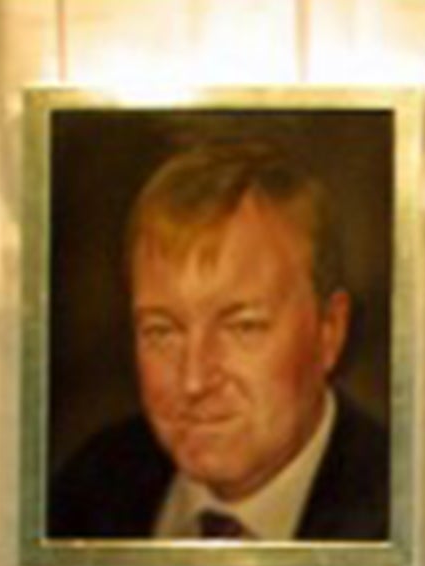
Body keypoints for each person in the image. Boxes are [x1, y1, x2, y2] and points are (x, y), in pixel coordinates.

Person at [48, 136, 389, 542]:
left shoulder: (395, 501)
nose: (194, 380)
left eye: (242, 327)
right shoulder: (88, 490)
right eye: (162, 331)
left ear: (329, 330)